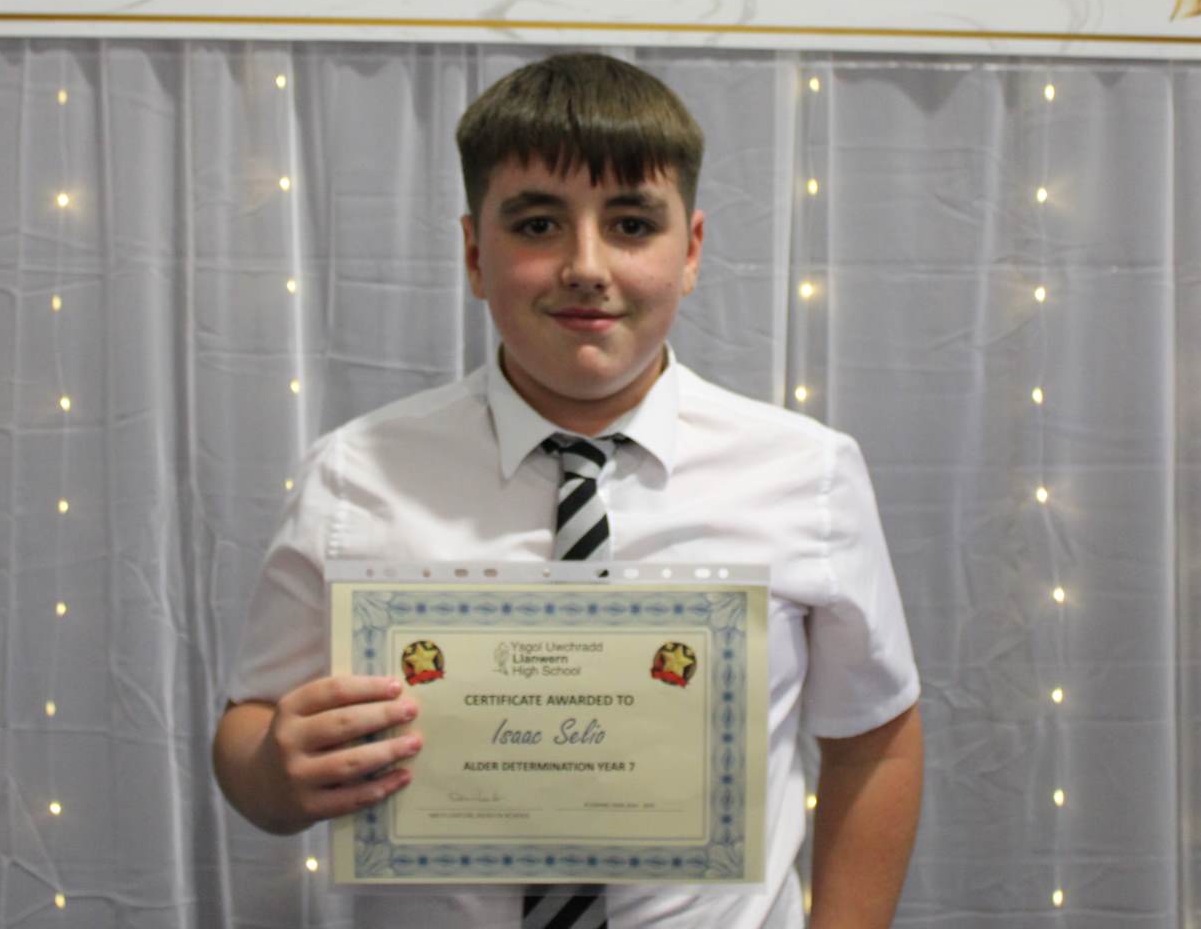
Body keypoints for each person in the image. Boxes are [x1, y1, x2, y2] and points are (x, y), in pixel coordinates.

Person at [213, 53, 922, 928]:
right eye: (539, 224)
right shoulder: (354, 476)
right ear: (474, 253)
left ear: (691, 250)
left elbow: (875, 739)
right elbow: (250, 727)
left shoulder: (806, 474)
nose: (586, 265)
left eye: (631, 224)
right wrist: (274, 774)